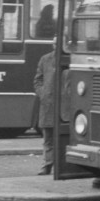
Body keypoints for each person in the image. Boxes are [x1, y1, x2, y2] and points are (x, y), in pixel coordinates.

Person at [32, 41, 59, 175]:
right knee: (48, 137)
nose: (56, 45)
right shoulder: (45, 59)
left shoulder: (70, 59)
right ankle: (47, 165)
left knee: (63, 136)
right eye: (55, 43)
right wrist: (42, 93)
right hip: (48, 104)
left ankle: (62, 166)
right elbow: (37, 80)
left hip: (64, 106)